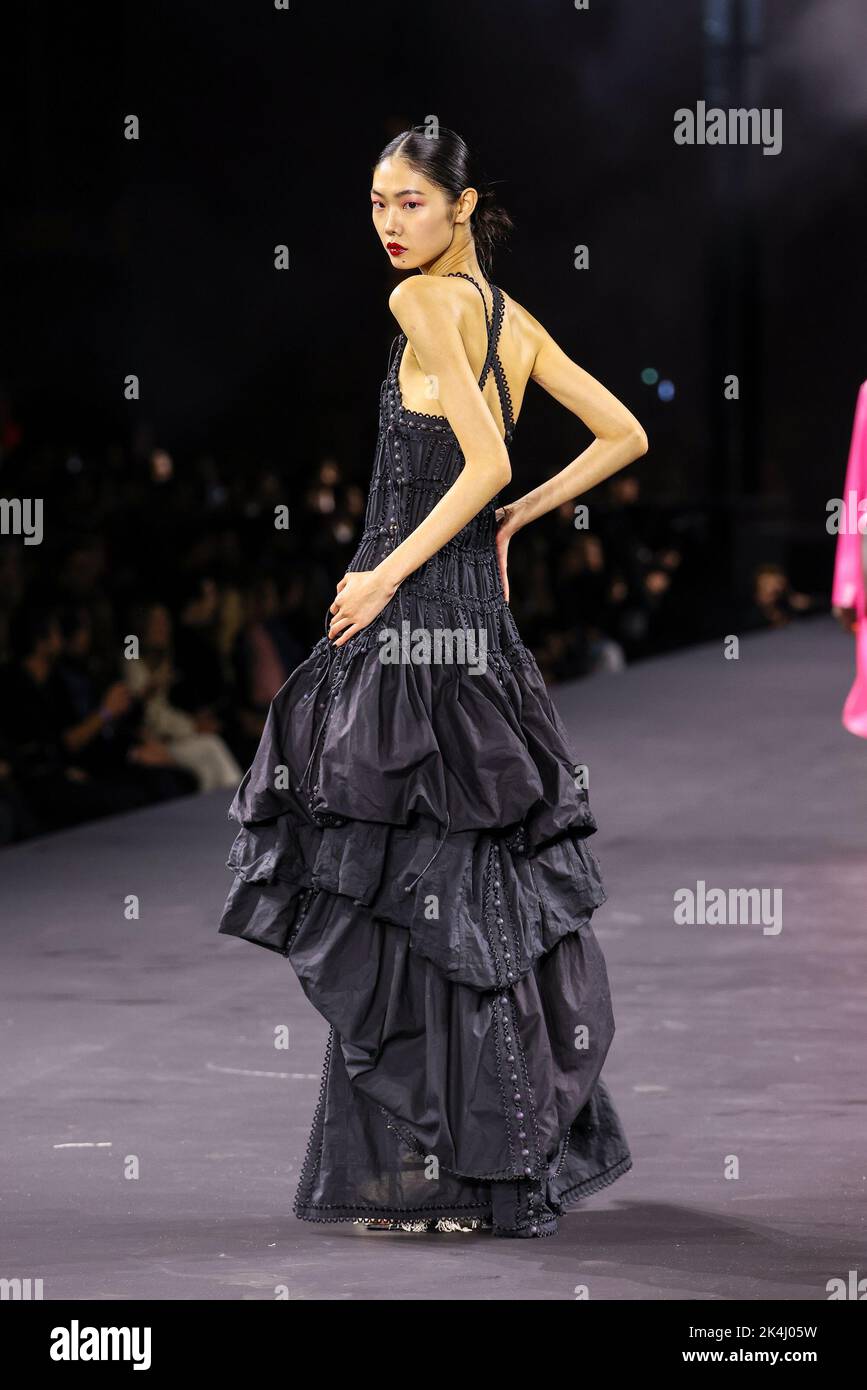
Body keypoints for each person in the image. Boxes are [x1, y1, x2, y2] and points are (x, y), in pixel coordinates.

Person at [218, 126, 648, 1239]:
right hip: (482, 637)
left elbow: (488, 458)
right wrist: (514, 521)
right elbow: (623, 433)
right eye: (375, 203)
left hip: (415, 628)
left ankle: (442, 1174)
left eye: (410, 202)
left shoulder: (425, 308)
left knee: (407, 897)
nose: (389, 223)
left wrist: (382, 569)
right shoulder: (511, 317)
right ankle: (479, 1172)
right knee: (472, 901)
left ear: (462, 207)